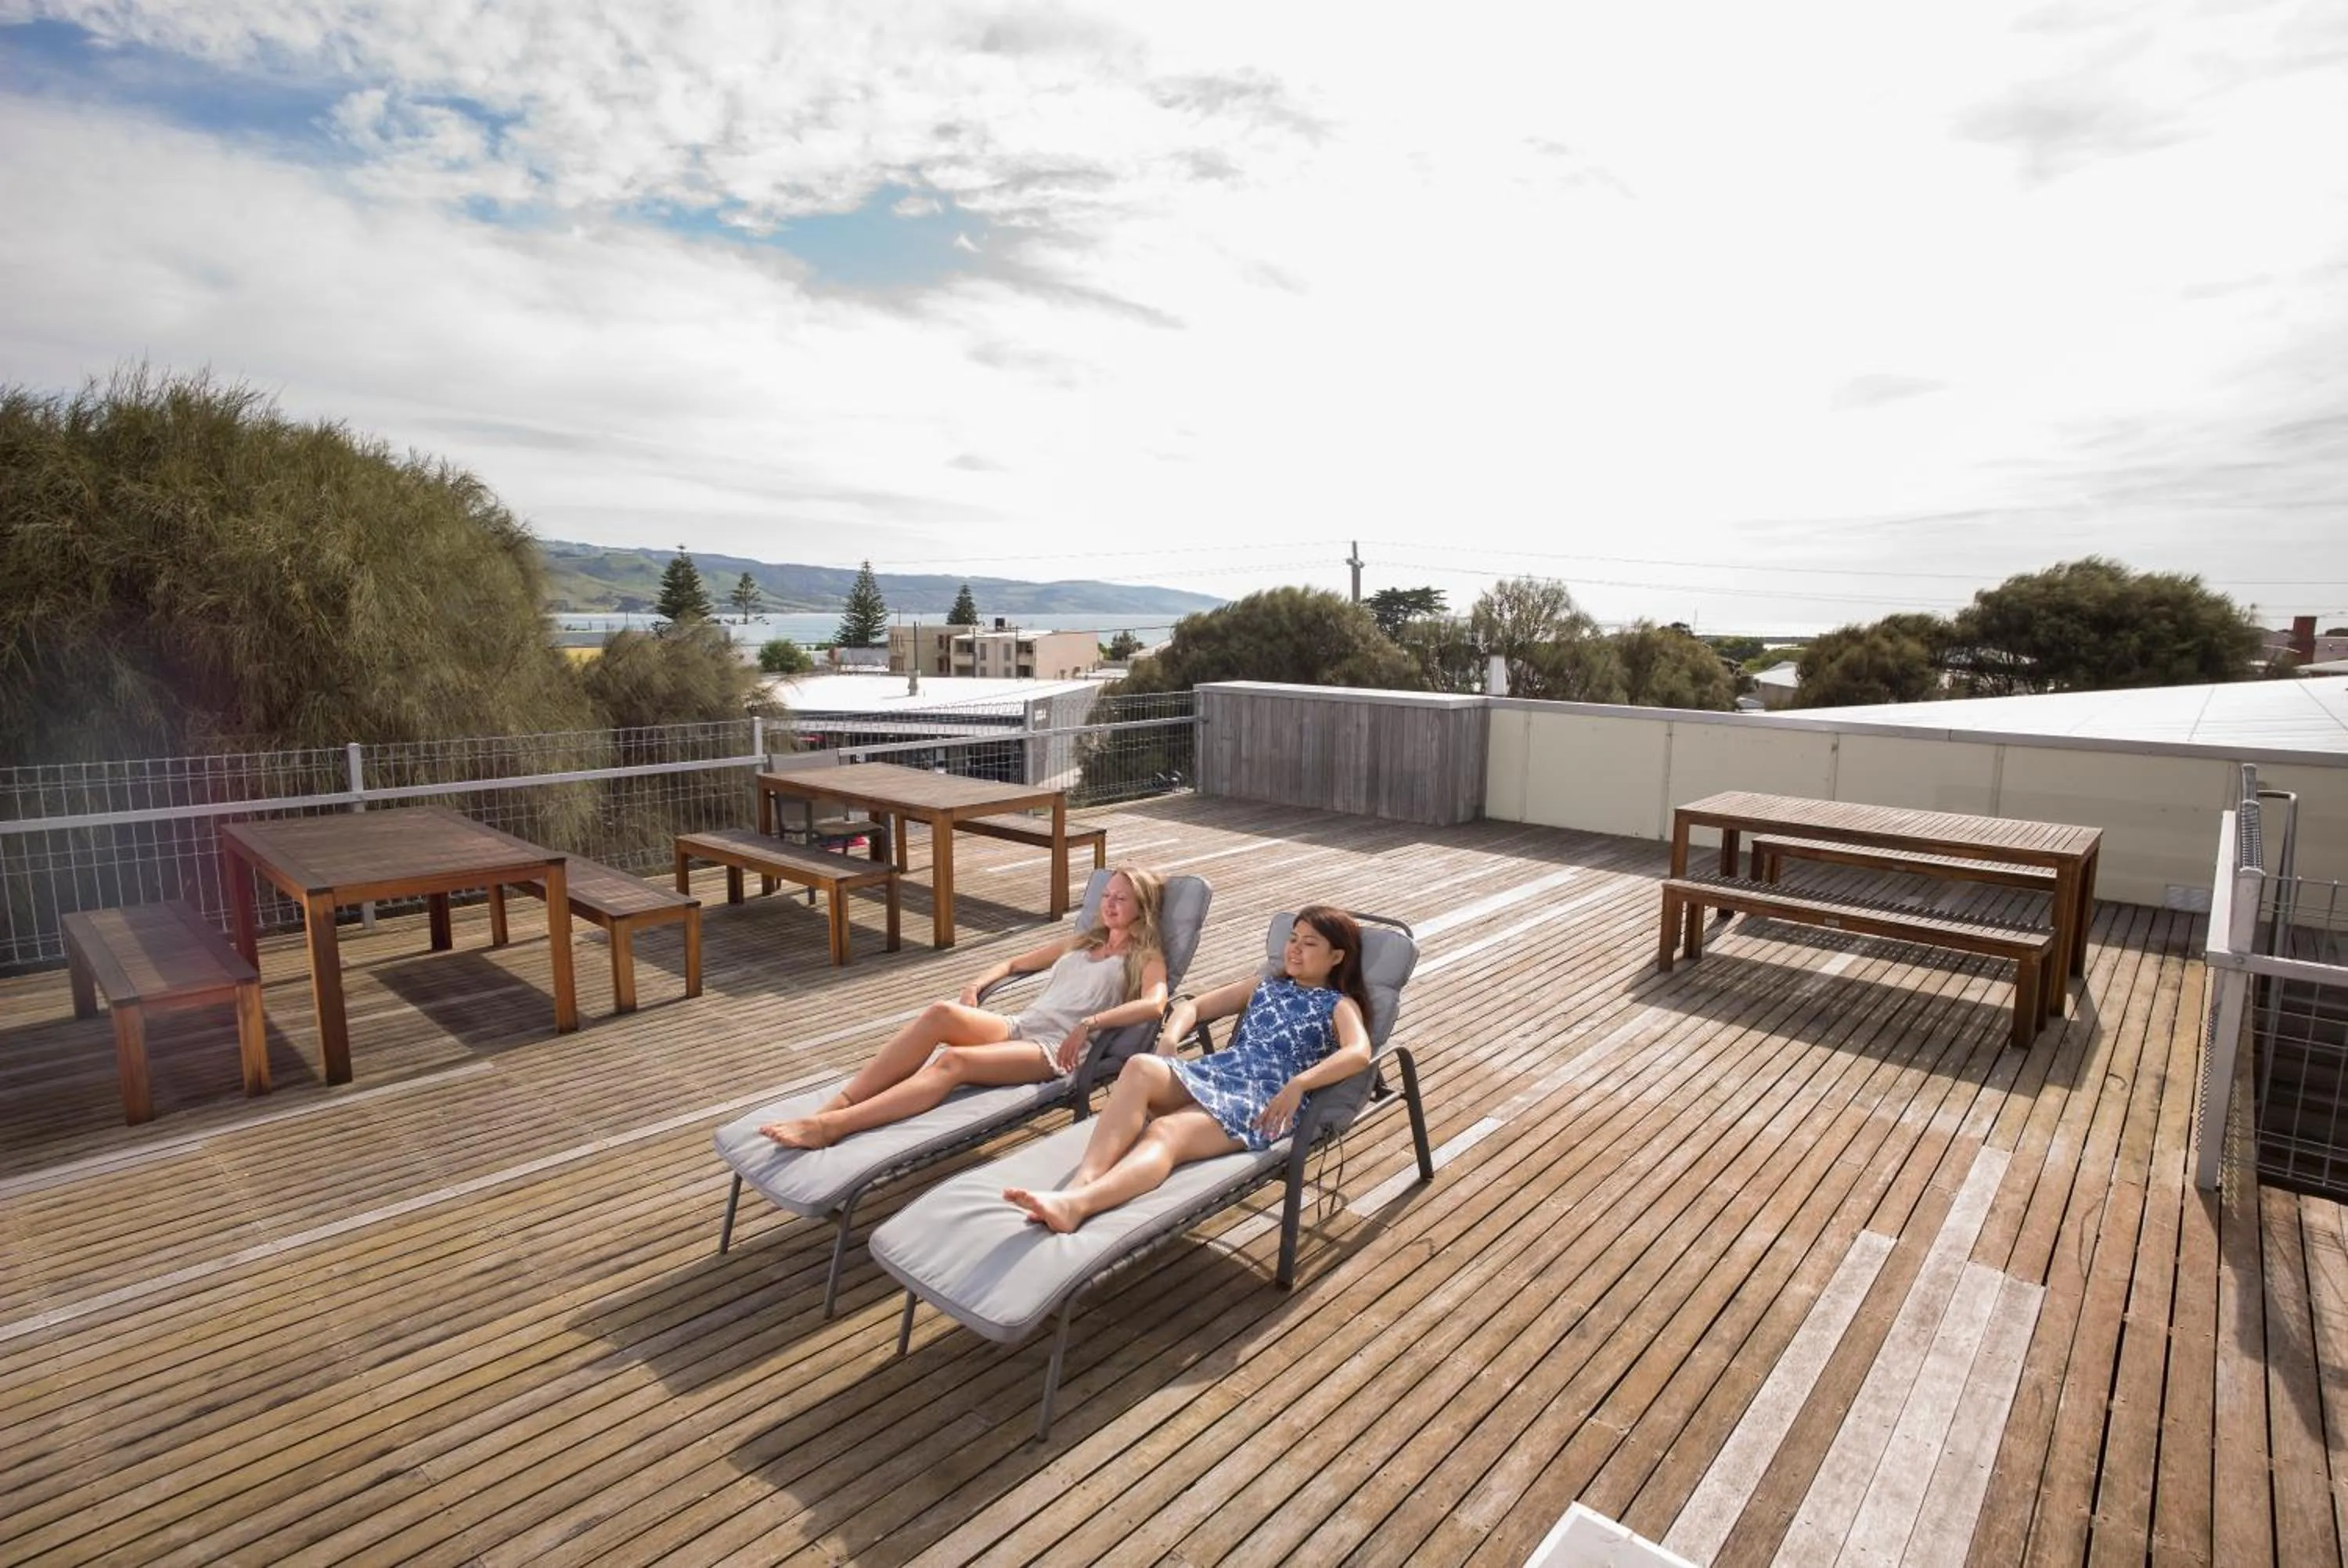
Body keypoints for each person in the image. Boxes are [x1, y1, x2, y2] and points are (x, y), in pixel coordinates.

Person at [1004, 905, 1372, 1233]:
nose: (1294, 949)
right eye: (1293, 938)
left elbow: (1358, 1052)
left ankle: (1077, 1206)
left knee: (1166, 1131)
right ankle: (1079, 1184)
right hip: (1222, 1073)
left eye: (1309, 944)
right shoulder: (1266, 985)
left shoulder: (1337, 1004)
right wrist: (1168, 1041)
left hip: (1264, 1099)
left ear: (1337, 956)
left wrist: (1299, 1084)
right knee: (1141, 1066)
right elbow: (1191, 1008)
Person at [758, 867, 1169, 1149]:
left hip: (1052, 1049)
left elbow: (1155, 1005)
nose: (1109, 904)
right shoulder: (1084, 940)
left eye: (1121, 899)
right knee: (940, 1013)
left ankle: (833, 1127)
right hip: (1020, 1026)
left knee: (954, 1061)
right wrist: (976, 983)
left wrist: (1091, 1023)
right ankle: (837, 1105)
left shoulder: (1145, 956)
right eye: (1106, 896)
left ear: (1142, 907)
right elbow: (1013, 964)